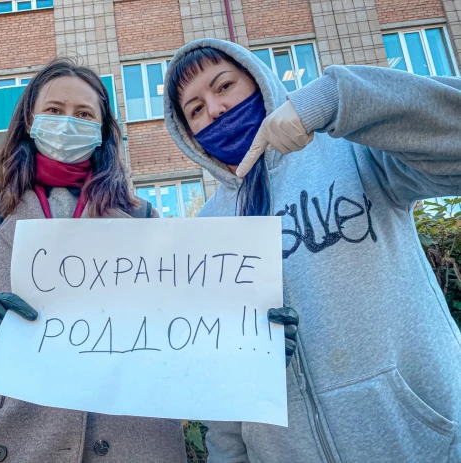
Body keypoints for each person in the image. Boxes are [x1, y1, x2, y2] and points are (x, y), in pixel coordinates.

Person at [164, 38, 461, 463]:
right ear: (188, 135)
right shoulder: (209, 228)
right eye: (195, 109)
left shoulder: (355, 153)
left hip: (415, 441)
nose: (214, 109)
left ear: (260, 81)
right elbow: (222, 369)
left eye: (224, 86)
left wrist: (337, 98)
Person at [0, 58, 189, 463]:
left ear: (101, 131)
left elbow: (189, 317)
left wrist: (251, 331)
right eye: (54, 110)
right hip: (14, 435)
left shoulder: (142, 217)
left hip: (130, 433)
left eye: (84, 114)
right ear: (30, 120)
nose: (68, 124)